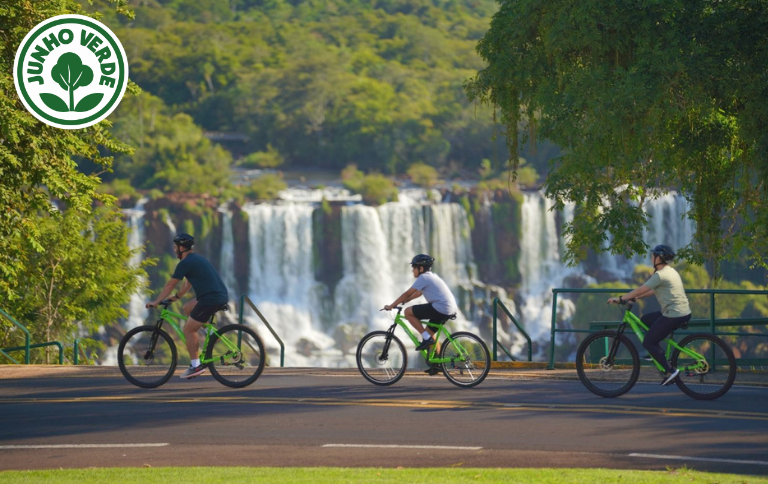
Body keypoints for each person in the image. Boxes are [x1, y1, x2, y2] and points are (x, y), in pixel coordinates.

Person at [146, 233, 229, 379]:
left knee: (188, 330)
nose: (174, 249)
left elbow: (170, 284)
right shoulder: (195, 259)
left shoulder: (185, 263)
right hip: (218, 296)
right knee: (187, 308)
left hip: (210, 299)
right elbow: (188, 283)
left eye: (175, 246)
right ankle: (211, 334)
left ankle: (195, 366)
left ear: (181, 248)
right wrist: (177, 297)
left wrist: (157, 301)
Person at [607, 244, 692, 386]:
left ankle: (671, 371)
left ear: (658, 259)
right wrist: (637, 297)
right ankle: (657, 353)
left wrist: (621, 299)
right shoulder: (670, 271)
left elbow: (639, 289)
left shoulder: (660, 275)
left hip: (674, 314)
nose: (651, 258)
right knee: (645, 320)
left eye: (653, 256)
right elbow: (652, 290)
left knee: (648, 342)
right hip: (681, 312)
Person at [384, 254, 459, 372]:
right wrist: (407, 300)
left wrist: (391, 305)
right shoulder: (431, 277)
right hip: (447, 308)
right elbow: (418, 293)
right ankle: (437, 364)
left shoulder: (423, 278)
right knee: (429, 333)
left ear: (421, 268)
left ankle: (426, 339)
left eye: (414, 267)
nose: (412, 270)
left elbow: (407, 293)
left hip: (440, 308)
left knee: (408, 312)